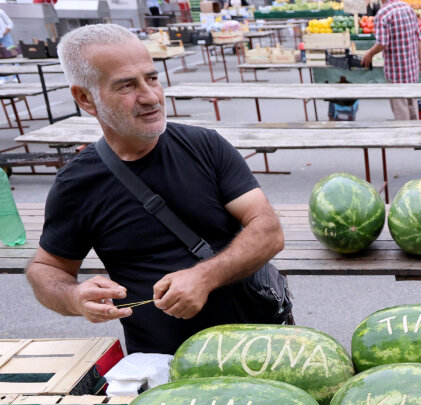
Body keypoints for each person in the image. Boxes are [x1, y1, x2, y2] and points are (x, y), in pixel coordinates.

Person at [25, 24, 285, 355]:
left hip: (262, 344)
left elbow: (268, 230)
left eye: (152, 78)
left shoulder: (205, 146)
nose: (150, 97)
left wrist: (204, 277)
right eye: (126, 86)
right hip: (162, 362)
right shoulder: (77, 184)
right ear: (84, 98)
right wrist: (74, 297)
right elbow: (46, 269)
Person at [360, 0, 421, 120]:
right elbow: (418, 38)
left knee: (400, 107)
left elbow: (382, 43)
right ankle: (416, 134)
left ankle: (404, 135)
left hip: (396, 71)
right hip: (411, 68)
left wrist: (370, 53)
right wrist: (420, 61)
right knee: (412, 104)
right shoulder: (408, 8)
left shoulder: (383, 14)